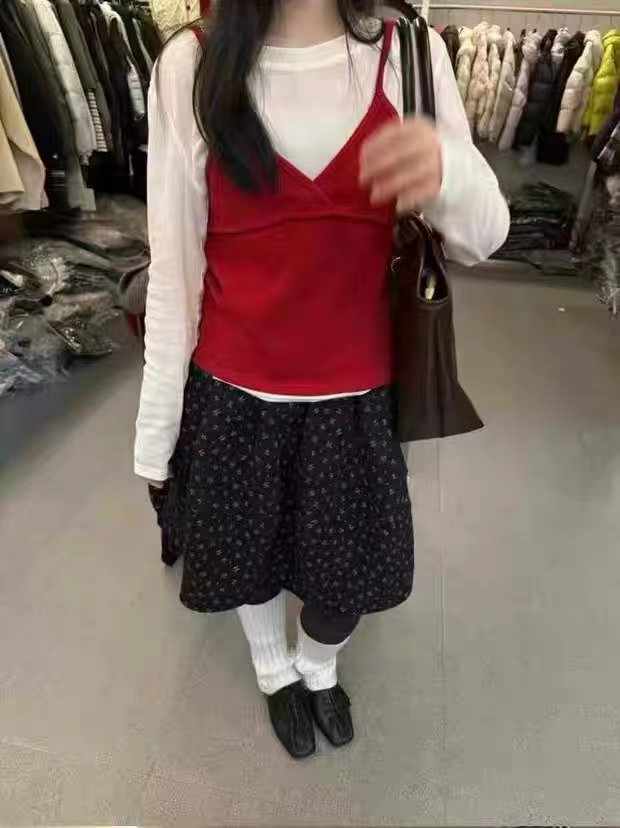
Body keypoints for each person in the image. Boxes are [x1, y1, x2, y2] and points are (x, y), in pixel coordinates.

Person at [135, 0, 509, 760]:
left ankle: (318, 665)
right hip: (233, 394)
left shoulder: (408, 55)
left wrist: (444, 168)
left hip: (358, 398)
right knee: (250, 557)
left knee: (349, 573)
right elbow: (174, 270)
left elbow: (484, 236)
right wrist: (157, 431)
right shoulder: (190, 65)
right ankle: (274, 672)